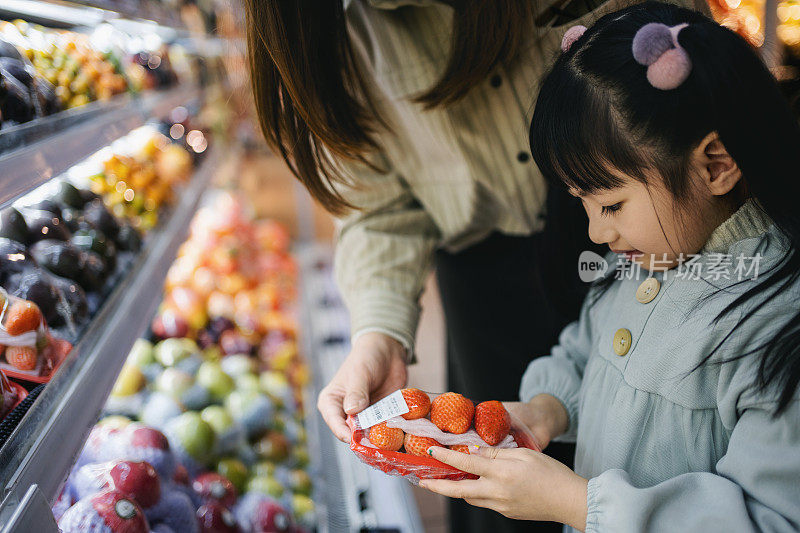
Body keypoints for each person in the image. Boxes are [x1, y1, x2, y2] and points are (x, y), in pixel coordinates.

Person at [243, 1, 698, 531]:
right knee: (498, 492)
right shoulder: (334, 29)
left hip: (653, 242)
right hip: (486, 280)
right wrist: (379, 336)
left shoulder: (735, 301)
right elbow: (378, 206)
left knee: (649, 451)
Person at [417, 3, 800, 531]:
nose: (596, 233)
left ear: (716, 164)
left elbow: (770, 520)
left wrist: (577, 504)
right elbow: (587, 349)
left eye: (612, 205)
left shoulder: (777, 329)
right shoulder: (653, 257)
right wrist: (546, 410)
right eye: (582, 203)